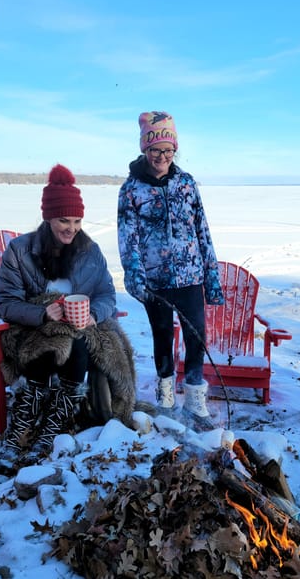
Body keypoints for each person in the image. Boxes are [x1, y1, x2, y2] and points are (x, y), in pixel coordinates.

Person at [0, 164, 132, 473]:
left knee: (77, 342)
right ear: (48, 218)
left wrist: (94, 314)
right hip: (33, 330)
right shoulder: (20, 251)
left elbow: (107, 294)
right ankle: (19, 431)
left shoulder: (90, 252)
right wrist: (41, 312)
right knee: (52, 345)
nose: (72, 228)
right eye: (64, 220)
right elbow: (5, 303)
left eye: (77, 220)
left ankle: (52, 426)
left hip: (79, 331)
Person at [117, 111, 224, 431]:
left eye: (168, 150)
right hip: (156, 279)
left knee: (196, 337)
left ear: (174, 150)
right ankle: (165, 399)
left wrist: (211, 273)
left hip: (190, 276)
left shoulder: (187, 184)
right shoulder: (131, 189)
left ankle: (194, 399)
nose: (162, 157)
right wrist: (135, 275)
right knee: (162, 337)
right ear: (144, 150)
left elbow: (202, 229)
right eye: (155, 150)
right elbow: (127, 237)